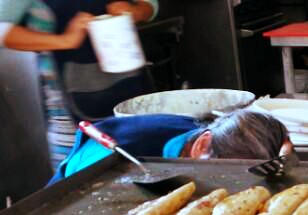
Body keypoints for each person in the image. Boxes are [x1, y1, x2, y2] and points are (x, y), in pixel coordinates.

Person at [0, 0, 156, 167]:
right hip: (70, 111)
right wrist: (65, 40)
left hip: (131, 90)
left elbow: (150, 5)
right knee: (83, 178)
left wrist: (138, 11)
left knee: (150, 167)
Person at [50, 109, 292, 182]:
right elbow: (74, 192)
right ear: (203, 144)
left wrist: (283, 153)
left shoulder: (202, 133)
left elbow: (280, 144)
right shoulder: (118, 155)